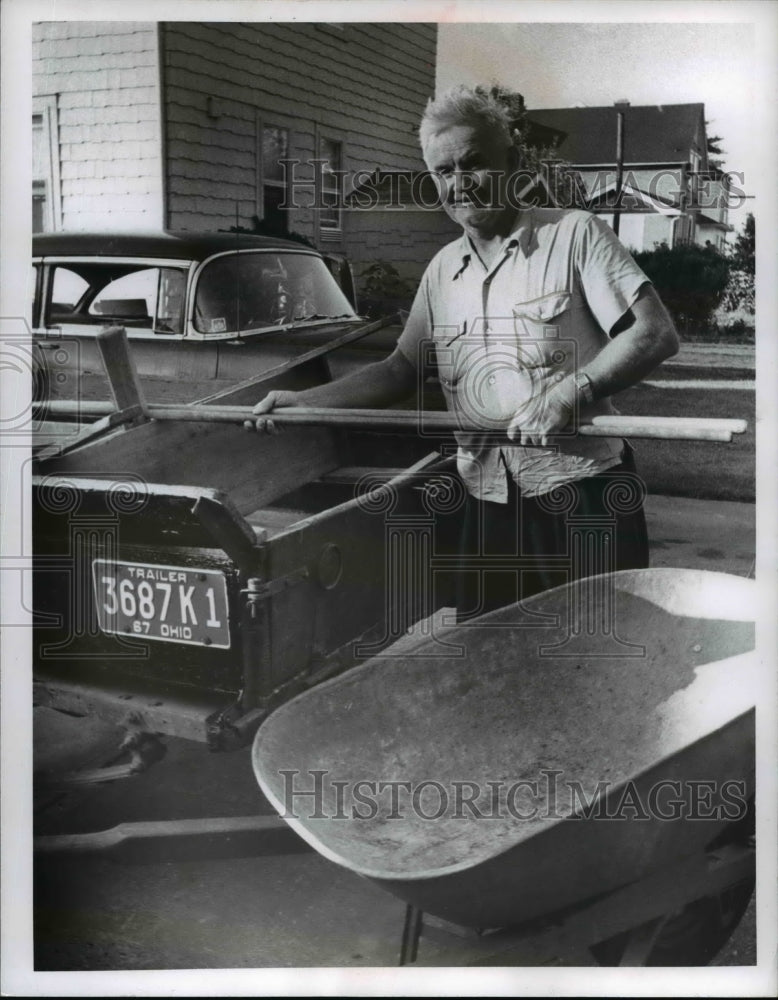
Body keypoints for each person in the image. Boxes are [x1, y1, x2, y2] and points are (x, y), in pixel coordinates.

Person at [249, 85, 679, 620]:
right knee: (489, 669)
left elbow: (654, 333)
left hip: (582, 498)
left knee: (591, 669)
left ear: (513, 161)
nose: (459, 184)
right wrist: (304, 403)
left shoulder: (575, 236)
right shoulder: (441, 271)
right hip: (485, 500)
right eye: (443, 172)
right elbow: (400, 369)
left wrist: (571, 392)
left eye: (473, 164)